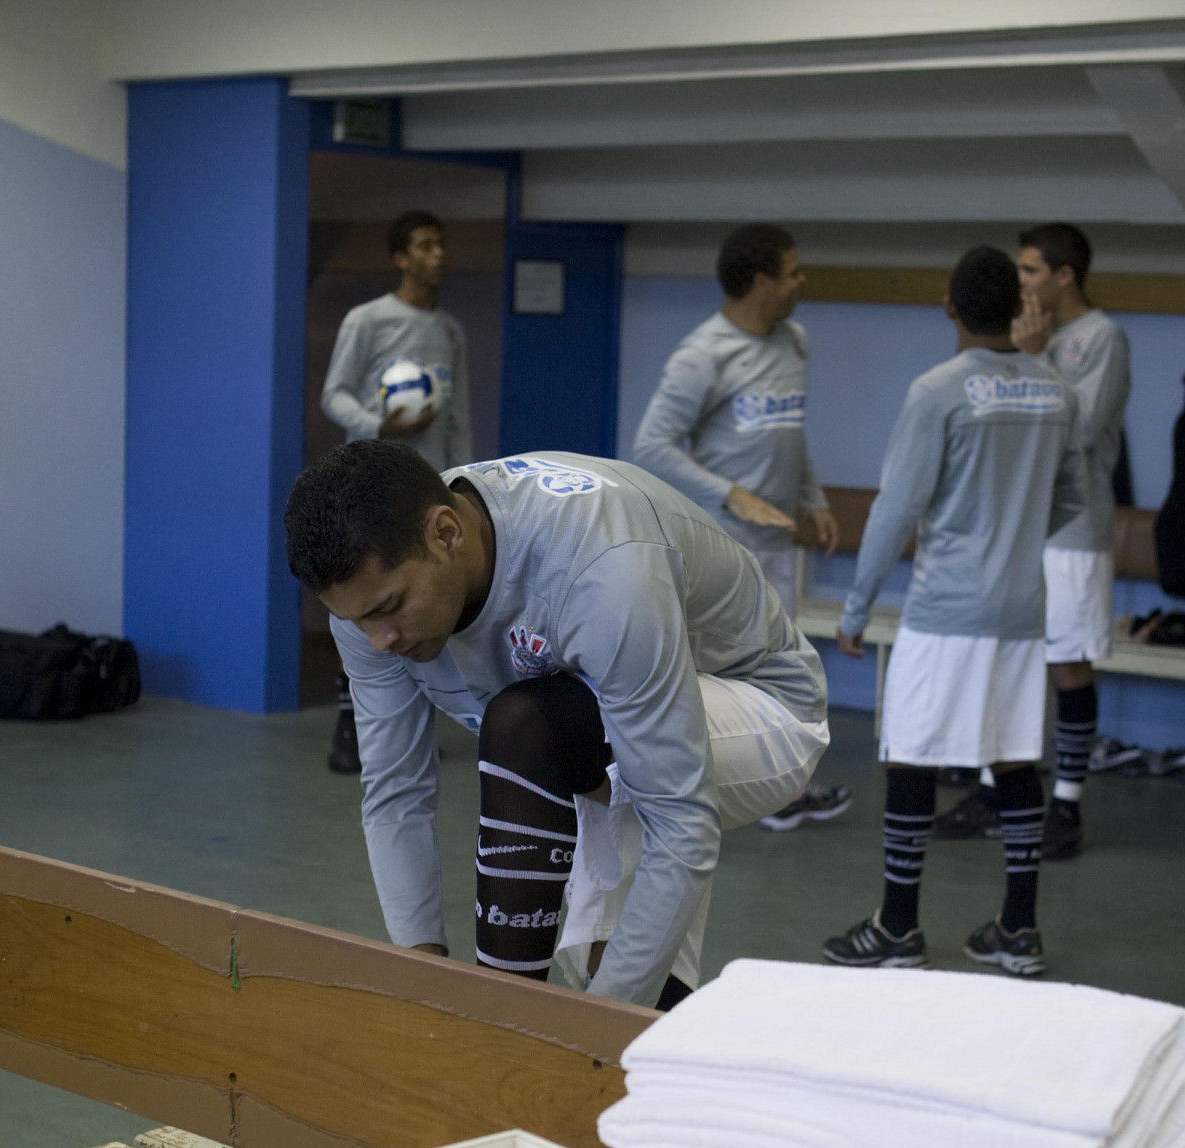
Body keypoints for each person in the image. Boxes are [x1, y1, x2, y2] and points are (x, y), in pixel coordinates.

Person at [284, 443, 830, 1011]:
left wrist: (581, 1034)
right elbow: (396, 792)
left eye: (390, 607)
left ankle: (504, 1019)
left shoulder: (604, 571)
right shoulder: (370, 598)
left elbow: (681, 823)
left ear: (446, 533)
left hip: (765, 710)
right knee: (636, 990)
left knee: (531, 727)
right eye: (356, 620)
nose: (380, 640)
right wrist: (424, 982)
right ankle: (568, 1025)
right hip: (619, 720)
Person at [823, 246, 1084, 979]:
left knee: (910, 752)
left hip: (946, 611)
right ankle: (1018, 929)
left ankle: (899, 929)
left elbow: (896, 510)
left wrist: (855, 610)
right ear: (1015, 310)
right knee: (1014, 759)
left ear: (950, 308)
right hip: (1023, 611)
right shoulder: (1058, 392)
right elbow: (1071, 500)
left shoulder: (936, 391)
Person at [632, 222, 849, 833]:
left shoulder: (794, 341)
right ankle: (725, 794)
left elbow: (790, 432)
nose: (802, 283)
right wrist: (732, 496)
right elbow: (651, 445)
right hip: (722, 546)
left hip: (778, 541)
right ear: (761, 281)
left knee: (782, 669)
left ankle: (779, 791)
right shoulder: (703, 354)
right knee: (722, 676)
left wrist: (814, 498)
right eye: (794, 272)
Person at [933, 222, 1131, 858]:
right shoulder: (1019, 338)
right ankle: (997, 786)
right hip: (1013, 526)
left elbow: (1075, 428)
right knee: (1009, 658)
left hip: (1072, 527)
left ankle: (1067, 804)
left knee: (1068, 663)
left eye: (1030, 271)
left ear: (1064, 275)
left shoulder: (1101, 338)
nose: (1019, 282)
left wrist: (1036, 358)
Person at [319, 209, 473, 774]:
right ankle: (349, 721)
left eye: (442, 244)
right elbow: (333, 396)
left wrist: (464, 481)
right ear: (401, 257)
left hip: (428, 491)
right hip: (372, 484)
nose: (439, 255)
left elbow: (458, 417)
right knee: (368, 600)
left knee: (422, 605)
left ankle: (419, 723)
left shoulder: (450, 330)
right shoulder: (368, 320)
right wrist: (381, 427)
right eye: (426, 246)